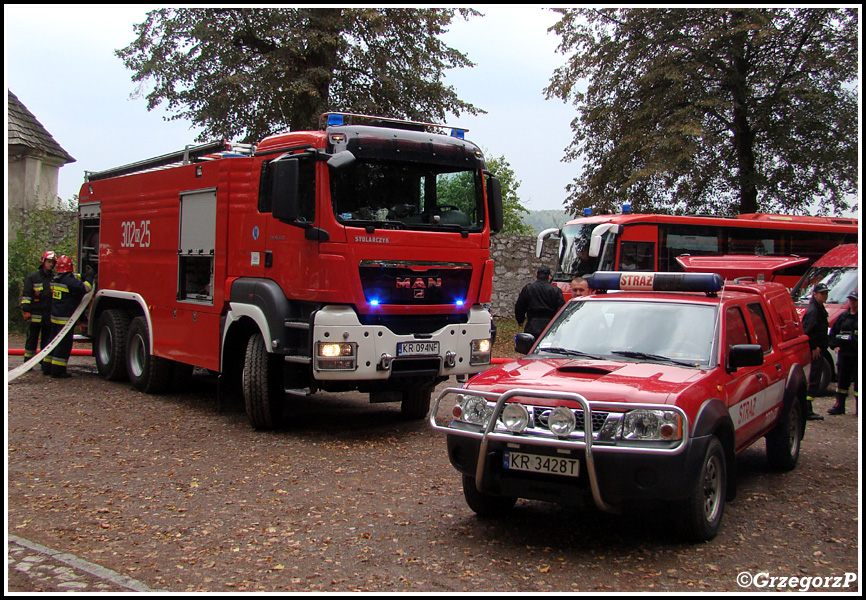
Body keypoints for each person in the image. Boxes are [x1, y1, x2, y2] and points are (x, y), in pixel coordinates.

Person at [47, 255, 92, 378]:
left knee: (52, 341)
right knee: (63, 345)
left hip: (55, 317)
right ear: (70, 267)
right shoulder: (68, 281)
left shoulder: (56, 279)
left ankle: (46, 367)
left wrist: (82, 275)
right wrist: (90, 277)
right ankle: (58, 370)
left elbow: (75, 277)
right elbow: (86, 288)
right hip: (65, 320)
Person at [20, 251, 57, 374]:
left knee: (47, 340)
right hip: (35, 314)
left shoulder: (54, 278)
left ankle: (44, 363)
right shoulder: (33, 277)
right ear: (43, 262)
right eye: (49, 262)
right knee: (32, 339)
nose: (50, 265)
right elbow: (26, 295)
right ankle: (28, 362)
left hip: (48, 314)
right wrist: (26, 310)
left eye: (52, 263)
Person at [801, 282, 829, 420]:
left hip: (819, 348)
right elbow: (807, 331)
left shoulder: (819, 308)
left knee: (815, 378)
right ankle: (806, 410)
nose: (825, 295)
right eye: (823, 293)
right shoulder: (813, 311)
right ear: (815, 294)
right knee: (812, 379)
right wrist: (813, 347)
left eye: (826, 293)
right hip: (814, 350)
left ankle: (808, 407)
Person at [827, 290, 858, 415]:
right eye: (851, 300)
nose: (852, 302)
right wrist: (834, 345)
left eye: (854, 300)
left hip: (857, 354)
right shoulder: (843, 316)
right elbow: (833, 333)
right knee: (842, 381)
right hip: (844, 354)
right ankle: (840, 405)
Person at [515, 266, 565, 338]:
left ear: (537, 276)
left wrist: (520, 319)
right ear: (548, 277)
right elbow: (561, 308)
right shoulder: (555, 290)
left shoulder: (528, 289)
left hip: (532, 325)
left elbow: (520, 305)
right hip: (549, 325)